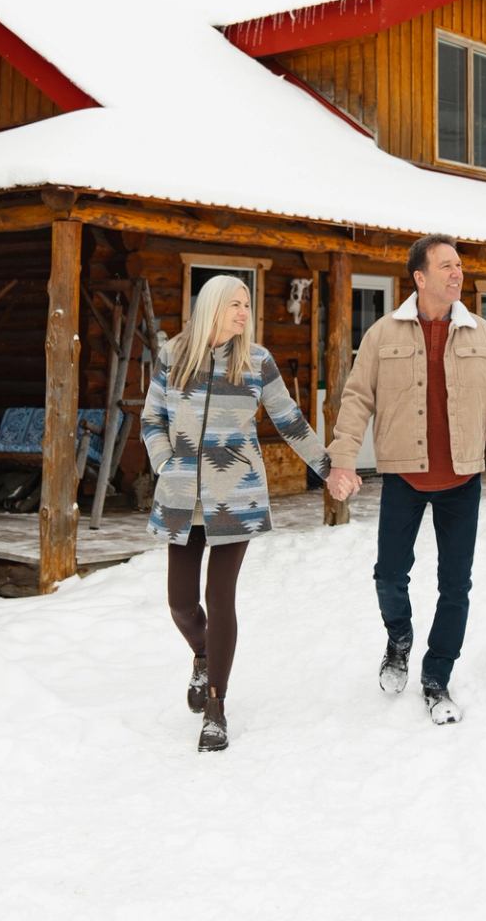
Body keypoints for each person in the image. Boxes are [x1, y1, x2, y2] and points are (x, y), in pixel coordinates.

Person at [326, 235, 486, 725]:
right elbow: (356, 400)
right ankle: (399, 639)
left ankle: (437, 677)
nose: (457, 273)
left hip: (461, 478)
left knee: (455, 586)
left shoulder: (483, 335)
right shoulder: (381, 335)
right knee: (389, 576)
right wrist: (343, 460)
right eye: (446, 266)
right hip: (403, 477)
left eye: (459, 265)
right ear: (420, 278)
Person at [141, 273, 342, 752]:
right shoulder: (173, 355)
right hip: (181, 495)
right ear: (212, 307)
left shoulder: (256, 361)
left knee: (221, 596)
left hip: (237, 495)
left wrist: (328, 468)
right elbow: (152, 418)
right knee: (180, 603)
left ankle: (216, 707)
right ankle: (203, 655)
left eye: (246, 304)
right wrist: (165, 462)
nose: (243, 312)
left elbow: (290, 420)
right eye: (234, 304)